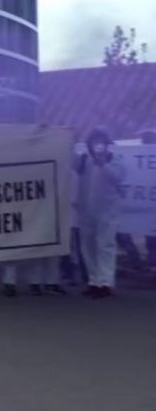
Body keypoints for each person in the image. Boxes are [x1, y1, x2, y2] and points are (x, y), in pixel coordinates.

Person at [73, 127, 126, 299]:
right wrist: (66, 138)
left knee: (105, 246)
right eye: (94, 142)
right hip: (86, 210)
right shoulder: (83, 161)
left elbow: (118, 177)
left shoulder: (114, 159)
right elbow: (69, 161)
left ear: (106, 144)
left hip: (107, 211)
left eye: (100, 142)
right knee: (88, 247)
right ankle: (94, 281)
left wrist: (103, 163)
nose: (97, 145)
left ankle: (105, 282)